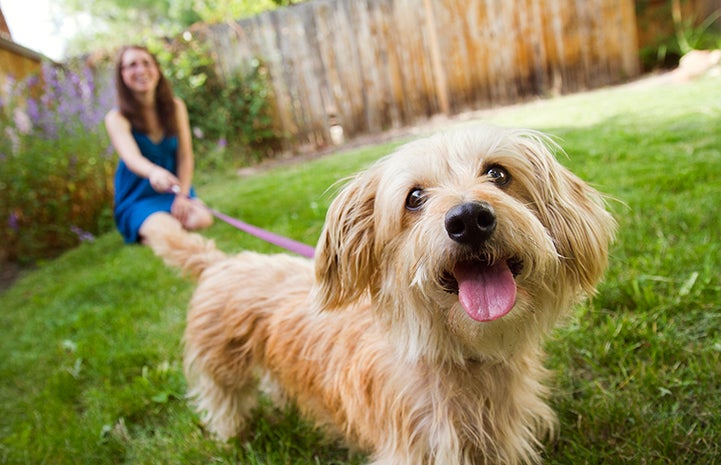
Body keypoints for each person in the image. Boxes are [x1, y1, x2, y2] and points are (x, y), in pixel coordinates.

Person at [105, 45, 213, 245]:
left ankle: (164, 222)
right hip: (139, 196)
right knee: (165, 231)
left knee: (202, 219)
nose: (141, 70)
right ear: (122, 75)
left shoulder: (176, 107)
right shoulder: (116, 118)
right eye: (132, 65)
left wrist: (182, 195)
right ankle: (145, 223)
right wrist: (154, 172)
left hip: (173, 191)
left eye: (146, 63)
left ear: (157, 69)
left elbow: (185, 156)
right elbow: (132, 159)